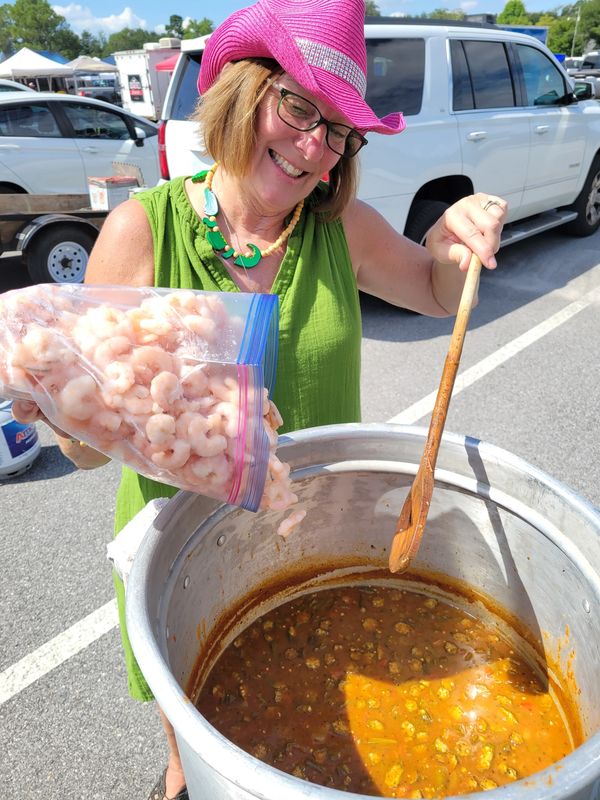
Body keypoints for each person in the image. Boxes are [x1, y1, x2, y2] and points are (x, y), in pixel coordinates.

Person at [13, 0, 507, 797]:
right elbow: (86, 440)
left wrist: (456, 239)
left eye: (338, 131)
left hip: (321, 539)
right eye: (298, 106)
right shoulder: (146, 229)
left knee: (328, 733)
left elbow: (431, 287)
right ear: (246, 92)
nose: (314, 145)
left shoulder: (335, 229)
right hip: (186, 548)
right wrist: (58, 409)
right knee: (196, 762)